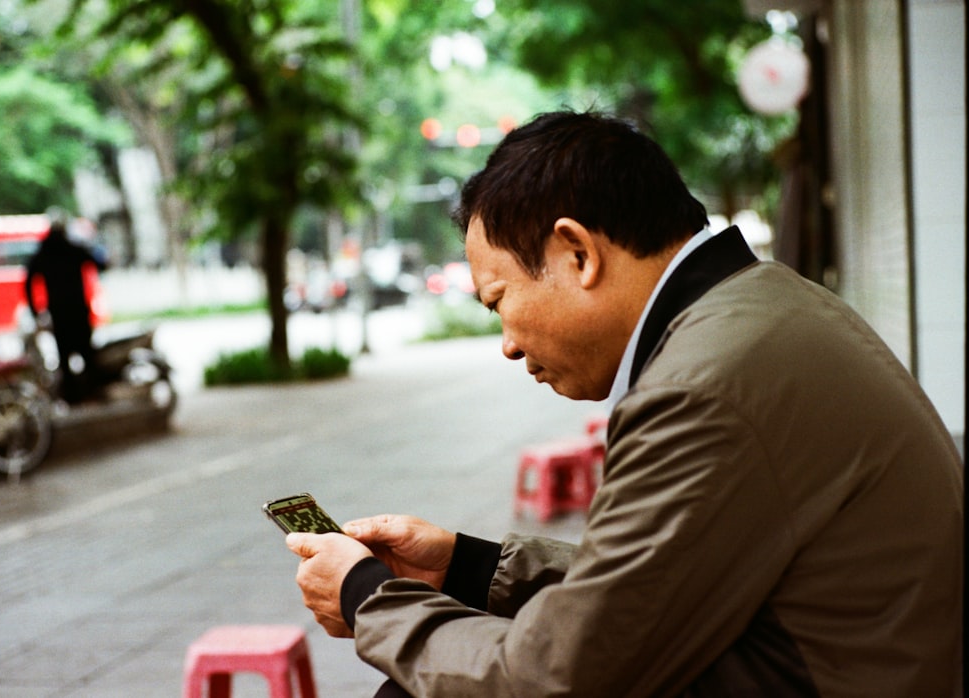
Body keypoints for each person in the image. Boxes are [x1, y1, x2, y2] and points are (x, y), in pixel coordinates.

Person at [285, 110, 963, 696]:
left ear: (577, 252)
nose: (508, 346)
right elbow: (656, 588)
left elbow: (553, 681)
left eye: (499, 302)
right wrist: (468, 565)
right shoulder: (762, 306)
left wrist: (367, 596)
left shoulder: (697, 391)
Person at [25, 209, 108, 404]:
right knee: (87, 353)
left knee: (64, 357)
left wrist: (35, 311)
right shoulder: (73, 248)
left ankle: (73, 397)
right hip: (78, 311)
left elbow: (27, 282)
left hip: (59, 313)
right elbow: (100, 264)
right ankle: (92, 391)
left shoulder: (42, 252)